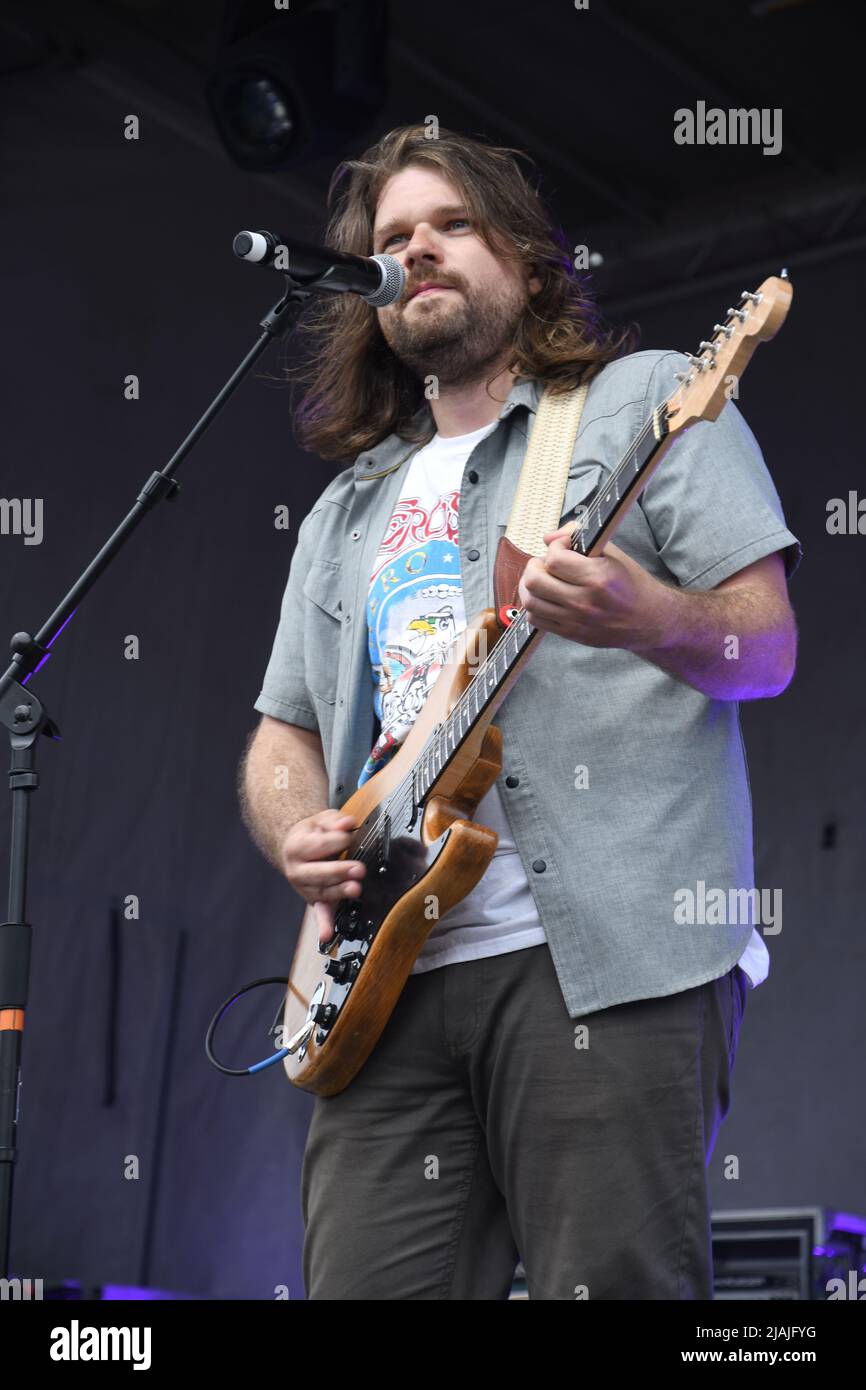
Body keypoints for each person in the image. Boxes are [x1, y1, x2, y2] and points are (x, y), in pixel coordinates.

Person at [239, 124, 801, 1300]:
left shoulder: (644, 403)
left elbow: (765, 648)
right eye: (392, 239)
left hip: (603, 961)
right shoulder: (349, 505)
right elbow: (281, 736)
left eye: (450, 225)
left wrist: (641, 612)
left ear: (528, 260)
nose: (417, 252)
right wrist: (298, 825)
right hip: (379, 980)